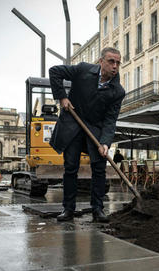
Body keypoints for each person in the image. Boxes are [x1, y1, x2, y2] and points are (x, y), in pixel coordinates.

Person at [49, 47, 125, 222]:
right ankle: (68, 209)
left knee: (99, 169)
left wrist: (105, 142)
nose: (115, 66)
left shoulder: (117, 91)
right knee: (71, 167)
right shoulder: (83, 70)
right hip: (73, 124)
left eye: (118, 63)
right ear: (101, 61)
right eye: (111, 61)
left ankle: (97, 209)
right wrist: (62, 97)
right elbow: (54, 72)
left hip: (96, 129)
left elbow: (110, 120)